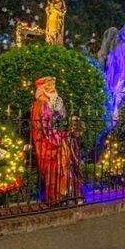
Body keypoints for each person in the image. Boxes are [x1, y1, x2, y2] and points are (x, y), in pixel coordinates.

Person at [31, 76, 83, 204]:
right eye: (49, 85)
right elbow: (42, 126)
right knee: (55, 169)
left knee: (67, 166)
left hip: (63, 140)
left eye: (54, 85)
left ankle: (69, 195)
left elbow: (63, 119)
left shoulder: (59, 101)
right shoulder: (40, 104)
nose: (52, 88)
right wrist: (57, 136)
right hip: (50, 143)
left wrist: (68, 129)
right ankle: (56, 198)